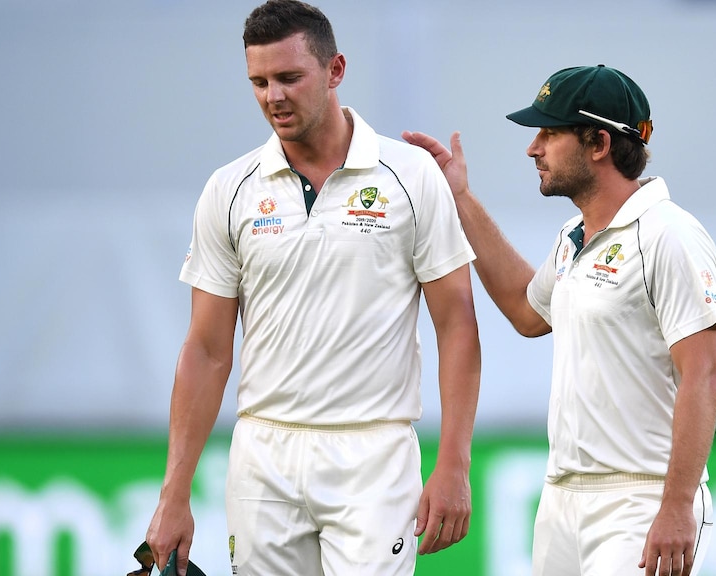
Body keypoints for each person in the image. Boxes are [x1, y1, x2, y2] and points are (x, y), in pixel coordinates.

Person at [144, 1, 482, 575]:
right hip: (263, 457)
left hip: (373, 454)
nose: (273, 96)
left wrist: (454, 460)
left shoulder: (410, 175)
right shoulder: (228, 190)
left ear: (335, 70)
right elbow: (205, 350)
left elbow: (457, 326)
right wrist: (173, 496)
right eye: (259, 81)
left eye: (289, 78)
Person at [403, 64, 716, 576]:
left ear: (598, 142)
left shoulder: (668, 235)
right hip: (562, 500)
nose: (533, 148)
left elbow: (705, 374)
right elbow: (526, 312)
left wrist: (676, 506)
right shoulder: (574, 236)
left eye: (549, 133)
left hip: (640, 500)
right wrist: (459, 199)